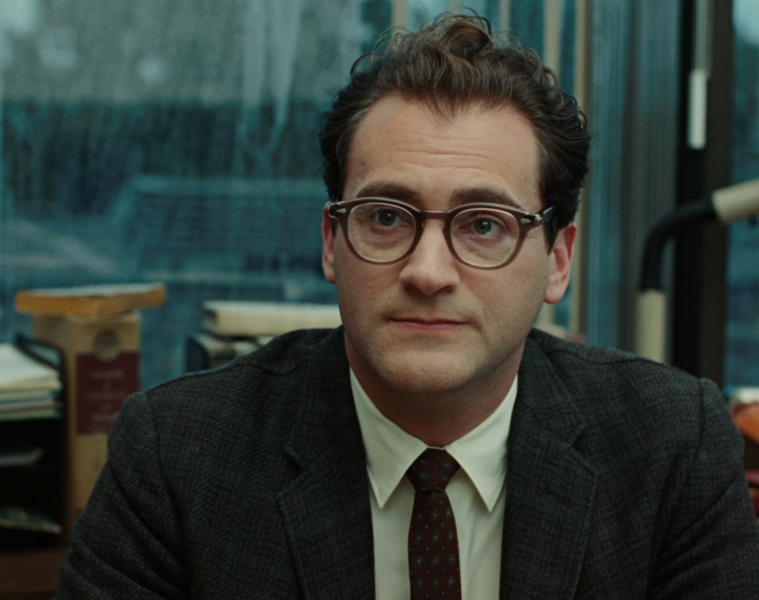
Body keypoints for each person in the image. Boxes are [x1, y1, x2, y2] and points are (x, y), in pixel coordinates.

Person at [56, 14, 759, 600]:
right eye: (387, 218)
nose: (427, 272)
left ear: (557, 260)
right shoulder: (178, 454)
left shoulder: (673, 447)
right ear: (332, 243)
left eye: (483, 225)